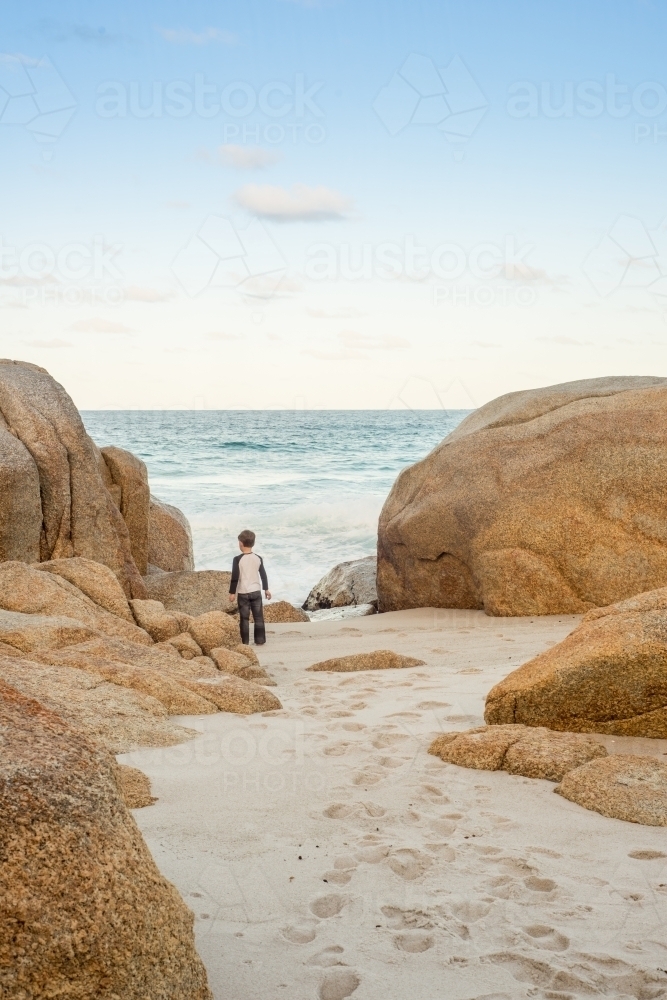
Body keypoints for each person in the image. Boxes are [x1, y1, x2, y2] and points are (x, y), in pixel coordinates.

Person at [228, 529, 271, 645]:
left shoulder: (237, 559)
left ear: (241, 543)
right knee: (258, 617)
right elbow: (263, 575)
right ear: (253, 543)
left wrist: (232, 592)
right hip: (256, 592)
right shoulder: (258, 558)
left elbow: (235, 577)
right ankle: (260, 640)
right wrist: (266, 589)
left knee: (244, 619)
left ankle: (245, 641)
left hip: (243, 593)